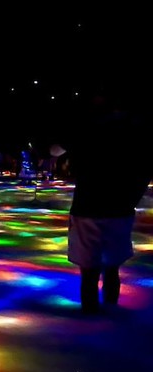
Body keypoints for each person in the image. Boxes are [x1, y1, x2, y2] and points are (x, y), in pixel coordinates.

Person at [65, 89, 153, 313]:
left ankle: (91, 319)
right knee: (111, 267)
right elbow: (143, 171)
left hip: (89, 207)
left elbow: (62, 154)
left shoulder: (86, 132)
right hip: (117, 208)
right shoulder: (132, 134)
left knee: (90, 269)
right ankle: (108, 318)